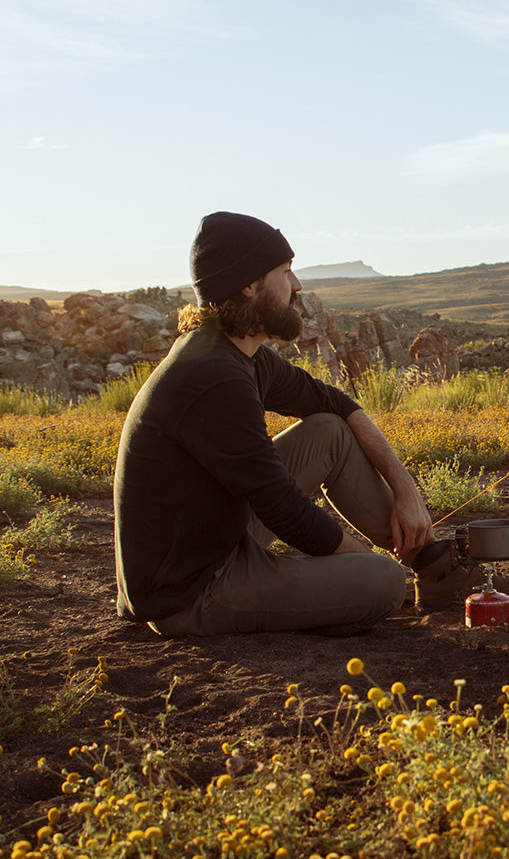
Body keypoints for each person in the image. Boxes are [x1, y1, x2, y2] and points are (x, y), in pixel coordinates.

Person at [114, 211, 437, 637]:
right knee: (384, 583)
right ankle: (367, 583)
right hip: (192, 589)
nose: (298, 285)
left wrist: (406, 491)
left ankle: (434, 566)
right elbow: (282, 508)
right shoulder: (213, 376)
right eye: (285, 272)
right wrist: (361, 561)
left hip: (219, 536)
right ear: (249, 284)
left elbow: (336, 403)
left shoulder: (239, 353)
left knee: (329, 431)